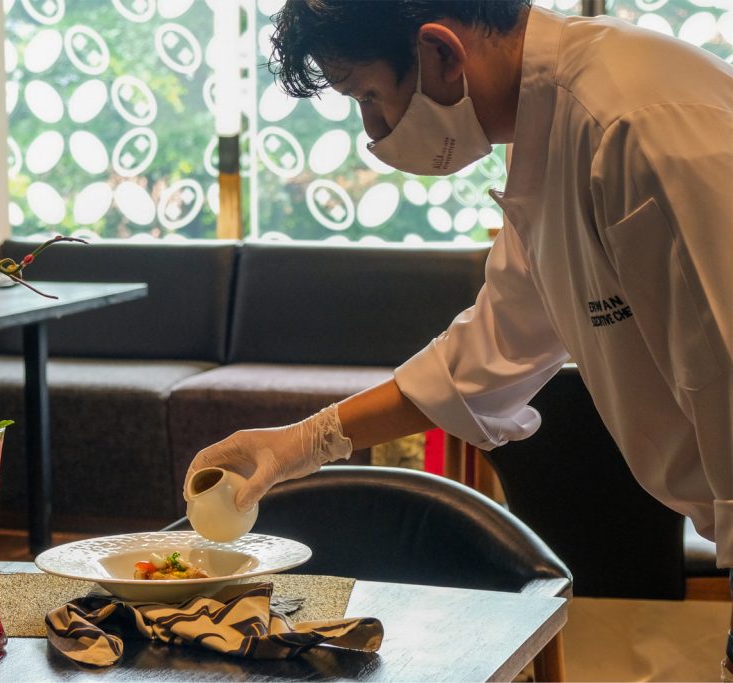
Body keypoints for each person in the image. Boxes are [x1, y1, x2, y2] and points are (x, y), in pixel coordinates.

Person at [183, 0, 733, 676]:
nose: (373, 131)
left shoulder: (635, 122)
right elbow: (482, 358)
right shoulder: (552, 141)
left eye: (370, 96)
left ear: (440, 53)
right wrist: (298, 444)